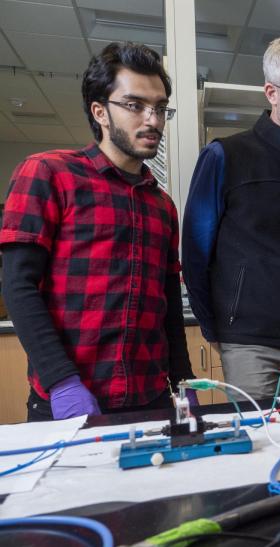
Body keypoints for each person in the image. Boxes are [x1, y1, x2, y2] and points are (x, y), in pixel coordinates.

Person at [0, 42, 195, 421]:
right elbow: (18, 287)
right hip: (70, 397)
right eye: (135, 105)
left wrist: (183, 381)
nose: (153, 120)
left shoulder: (163, 207)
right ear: (100, 111)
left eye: (159, 108)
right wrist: (61, 382)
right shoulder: (47, 174)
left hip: (150, 398)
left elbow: (168, 304)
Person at [182, 34, 280, 398]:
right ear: (272, 93)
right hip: (250, 344)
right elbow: (195, 254)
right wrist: (215, 330)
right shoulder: (224, 156)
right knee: (261, 446)